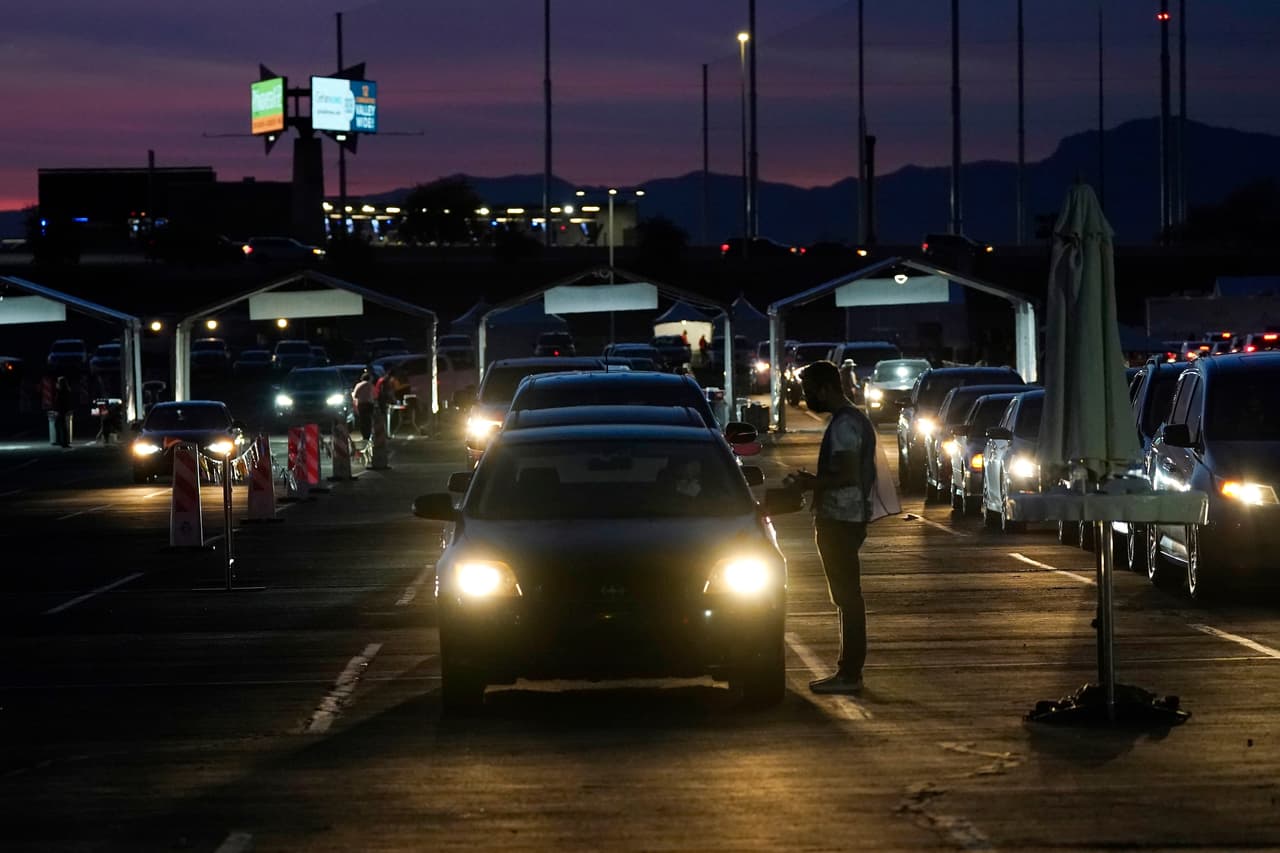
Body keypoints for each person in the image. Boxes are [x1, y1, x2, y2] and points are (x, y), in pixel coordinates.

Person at [785, 359, 877, 695]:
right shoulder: (854, 419)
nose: (808, 398)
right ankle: (849, 670)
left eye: (810, 392)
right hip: (850, 516)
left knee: (847, 597)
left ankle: (849, 672)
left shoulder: (843, 425)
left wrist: (811, 483)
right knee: (847, 596)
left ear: (826, 388)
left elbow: (845, 473)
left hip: (840, 518)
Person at [351, 371, 375, 441]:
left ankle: (364, 435)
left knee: (362, 420)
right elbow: (375, 394)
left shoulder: (358, 385)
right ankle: (369, 434)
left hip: (361, 404)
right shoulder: (370, 385)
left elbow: (355, 396)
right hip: (369, 404)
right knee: (369, 419)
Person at [54, 376, 74, 448]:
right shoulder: (64, 390)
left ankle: (64, 442)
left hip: (61, 410)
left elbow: (60, 401)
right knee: (58, 425)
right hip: (62, 409)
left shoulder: (62, 391)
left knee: (62, 426)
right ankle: (60, 441)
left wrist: (58, 410)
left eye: (58, 382)